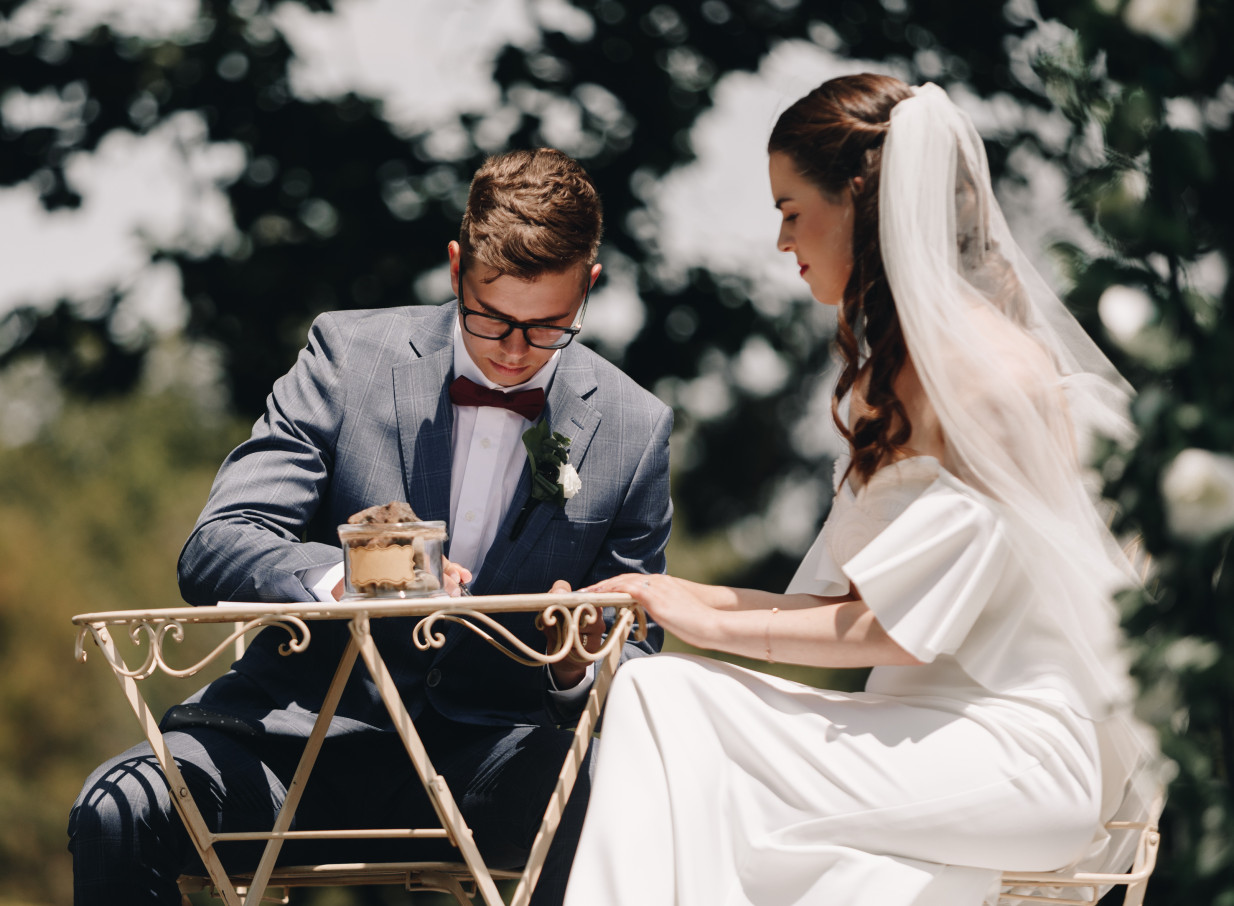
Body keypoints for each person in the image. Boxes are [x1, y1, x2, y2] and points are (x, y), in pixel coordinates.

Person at [561, 74, 1161, 906]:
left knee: (663, 697)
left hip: (1014, 752)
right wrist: (662, 593)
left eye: (790, 210)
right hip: (917, 733)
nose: (780, 240)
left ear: (857, 201)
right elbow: (839, 603)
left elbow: (893, 631)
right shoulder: (890, 378)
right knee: (731, 788)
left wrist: (690, 611)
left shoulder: (987, 374)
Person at [68, 147, 673, 905]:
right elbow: (220, 540)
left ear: (590, 286)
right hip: (292, 741)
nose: (516, 353)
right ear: (457, 267)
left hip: (493, 757)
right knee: (118, 810)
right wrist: (348, 577)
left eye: (548, 328)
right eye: (490, 319)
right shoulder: (345, 355)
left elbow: (638, 643)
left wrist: (574, 665)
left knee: (626, 806)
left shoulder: (633, 426)